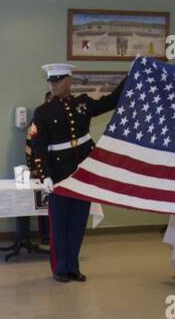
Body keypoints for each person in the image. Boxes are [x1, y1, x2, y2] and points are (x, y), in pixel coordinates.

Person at [26, 63, 123, 282]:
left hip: (82, 172)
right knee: (59, 225)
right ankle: (60, 268)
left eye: (58, 81)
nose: (54, 85)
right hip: (59, 175)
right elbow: (39, 146)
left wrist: (131, 76)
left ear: (69, 81)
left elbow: (111, 101)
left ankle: (73, 266)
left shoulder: (82, 104)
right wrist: (45, 175)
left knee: (77, 223)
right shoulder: (43, 112)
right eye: (51, 81)